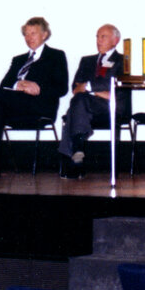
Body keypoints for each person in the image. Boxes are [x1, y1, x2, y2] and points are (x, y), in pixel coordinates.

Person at [0, 16, 68, 179]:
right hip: (16, 106)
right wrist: (19, 84)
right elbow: (5, 84)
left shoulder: (56, 56)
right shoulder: (19, 59)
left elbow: (62, 88)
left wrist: (37, 87)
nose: (29, 38)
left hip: (40, 106)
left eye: (33, 33)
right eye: (26, 34)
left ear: (44, 34)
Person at [57, 24, 128, 179]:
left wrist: (89, 88)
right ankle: (77, 150)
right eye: (97, 36)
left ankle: (77, 154)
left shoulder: (123, 60)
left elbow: (116, 90)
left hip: (111, 107)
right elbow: (75, 88)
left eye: (103, 36)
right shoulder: (86, 61)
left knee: (76, 107)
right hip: (87, 107)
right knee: (79, 100)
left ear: (115, 40)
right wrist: (100, 91)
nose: (98, 40)